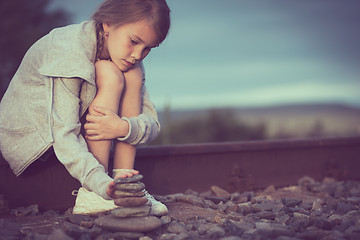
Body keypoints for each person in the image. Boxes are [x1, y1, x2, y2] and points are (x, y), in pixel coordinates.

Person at [0, 0, 170, 215]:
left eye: (148, 48)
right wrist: (98, 182)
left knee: (131, 74)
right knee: (108, 73)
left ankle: (125, 185)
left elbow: (152, 123)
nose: (138, 54)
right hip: (32, 137)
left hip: (66, 130)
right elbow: (64, 134)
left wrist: (124, 128)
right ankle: (93, 194)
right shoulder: (68, 50)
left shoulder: (126, 58)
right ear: (108, 24)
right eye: (134, 41)